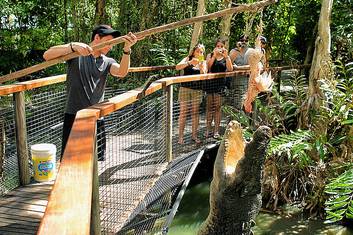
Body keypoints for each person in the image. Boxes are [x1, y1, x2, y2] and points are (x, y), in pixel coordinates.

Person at [43, 24, 138, 161]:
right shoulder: (76, 54)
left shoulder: (107, 61)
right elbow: (47, 55)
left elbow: (122, 72)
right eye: (109, 42)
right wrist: (72, 46)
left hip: (96, 118)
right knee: (69, 161)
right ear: (97, 38)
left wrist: (127, 50)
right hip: (73, 116)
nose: (111, 46)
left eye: (113, 43)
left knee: (95, 161)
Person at [175, 44, 207, 144]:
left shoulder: (203, 61)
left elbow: (204, 75)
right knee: (183, 112)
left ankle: (194, 136)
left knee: (195, 112)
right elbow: (177, 67)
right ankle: (180, 137)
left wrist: (201, 67)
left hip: (197, 90)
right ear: (193, 51)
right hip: (185, 88)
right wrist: (189, 63)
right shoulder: (188, 58)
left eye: (201, 52)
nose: (199, 53)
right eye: (197, 51)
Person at [204, 38, 233, 139]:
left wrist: (227, 57)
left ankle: (216, 130)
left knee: (217, 107)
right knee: (209, 107)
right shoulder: (210, 55)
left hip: (220, 85)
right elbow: (208, 67)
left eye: (221, 46)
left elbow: (230, 69)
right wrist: (214, 56)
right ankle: (208, 129)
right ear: (215, 47)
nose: (219, 48)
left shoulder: (226, 57)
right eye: (218, 46)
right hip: (210, 84)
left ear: (224, 47)